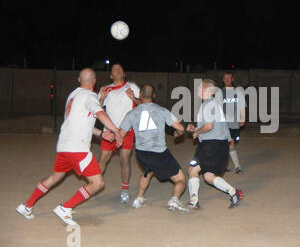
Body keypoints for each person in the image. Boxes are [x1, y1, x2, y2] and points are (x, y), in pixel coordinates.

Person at [16, 68, 123, 226]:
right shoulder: (90, 96)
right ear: (94, 82)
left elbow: (78, 122)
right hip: (77, 148)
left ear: (79, 80)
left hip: (64, 145)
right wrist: (116, 131)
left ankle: (27, 205)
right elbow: (100, 113)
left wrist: (101, 134)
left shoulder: (72, 96)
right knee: (98, 183)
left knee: (55, 177)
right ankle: (65, 208)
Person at [118, 85, 189, 213]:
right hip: (159, 154)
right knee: (181, 179)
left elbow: (120, 135)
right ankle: (174, 199)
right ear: (154, 96)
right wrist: (177, 134)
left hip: (141, 153)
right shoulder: (162, 111)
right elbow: (180, 128)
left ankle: (139, 199)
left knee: (148, 171)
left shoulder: (132, 113)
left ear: (139, 95)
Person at [186, 79, 244, 209]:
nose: (197, 90)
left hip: (210, 145)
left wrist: (197, 132)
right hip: (221, 146)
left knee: (192, 169)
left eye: (199, 87)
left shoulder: (208, 104)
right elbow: (217, 128)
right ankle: (234, 193)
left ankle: (194, 200)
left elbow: (209, 126)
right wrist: (196, 129)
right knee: (208, 176)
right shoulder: (215, 105)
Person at [98, 63, 140, 203]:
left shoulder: (132, 87)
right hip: (109, 131)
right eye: (114, 68)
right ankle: (94, 184)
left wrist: (133, 98)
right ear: (111, 75)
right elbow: (96, 109)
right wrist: (102, 98)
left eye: (120, 68)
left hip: (126, 130)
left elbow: (143, 103)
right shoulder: (106, 89)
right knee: (103, 158)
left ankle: (125, 190)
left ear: (124, 73)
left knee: (125, 159)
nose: (117, 69)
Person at [222, 71, 246, 174]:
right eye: (225, 78)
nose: (227, 80)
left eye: (229, 78)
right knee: (224, 144)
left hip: (233, 123)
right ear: (223, 80)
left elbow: (242, 106)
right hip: (222, 123)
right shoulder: (220, 93)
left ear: (232, 79)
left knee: (231, 144)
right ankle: (232, 166)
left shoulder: (238, 92)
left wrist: (243, 118)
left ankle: (235, 166)